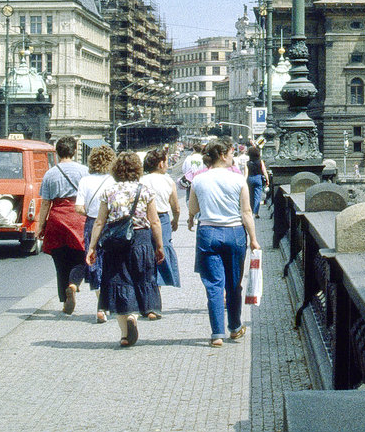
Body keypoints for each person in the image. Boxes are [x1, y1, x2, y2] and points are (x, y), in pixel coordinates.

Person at [86, 151, 164, 348]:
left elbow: (99, 222)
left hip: (116, 242)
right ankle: (139, 313)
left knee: (120, 282)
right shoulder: (145, 190)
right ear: (137, 169)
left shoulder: (109, 192)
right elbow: (155, 221)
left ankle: (125, 330)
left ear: (116, 170)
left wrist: (92, 247)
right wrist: (160, 246)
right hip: (141, 240)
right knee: (141, 278)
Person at [188, 140, 261, 347]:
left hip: (208, 232)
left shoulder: (199, 180)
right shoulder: (238, 180)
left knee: (213, 285)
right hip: (235, 233)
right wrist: (254, 240)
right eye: (230, 153)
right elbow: (246, 213)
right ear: (221, 154)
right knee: (233, 284)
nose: (233, 157)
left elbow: (193, 208)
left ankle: (217, 334)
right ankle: (235, 327)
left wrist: (190, 217)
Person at [35, 135, 88, 315]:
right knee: (82, 255)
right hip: (78, 216)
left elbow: (45, 203)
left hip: (57, 218)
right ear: (74, 151)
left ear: (57, 153)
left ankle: (65, 300)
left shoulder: (50, 173)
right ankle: (73, 284)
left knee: (60, 260)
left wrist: (40, 226)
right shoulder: (84, 171)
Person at [74, 145, 115, 322]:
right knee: (111, 263)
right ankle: (110, 303)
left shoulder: (85, 181)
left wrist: (91, 213)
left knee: (94, 262)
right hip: (112, 225)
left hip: (92, 224)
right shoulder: (114, 181)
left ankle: (101, 305)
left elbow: (78, 207)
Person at [140, 148, 181, 297]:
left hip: (143, 221)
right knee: (160, 254)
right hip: (162, 219)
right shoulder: (168, 181)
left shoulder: (141, 180)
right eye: (166, 161)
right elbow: (176, 207)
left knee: (145, 257)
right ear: (160, 164)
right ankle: (156, 293)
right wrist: (175, 221)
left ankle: (146, 294)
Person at [245, 145, 270, 218]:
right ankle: (255, 213)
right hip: (258, 178)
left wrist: (244, 182)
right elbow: (264, 171)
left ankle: (251, 211)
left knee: (251, 196)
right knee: (257, 197)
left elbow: (246, 174)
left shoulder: (247, 163)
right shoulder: (260, 162)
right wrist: (267, 180)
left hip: (250, 179)